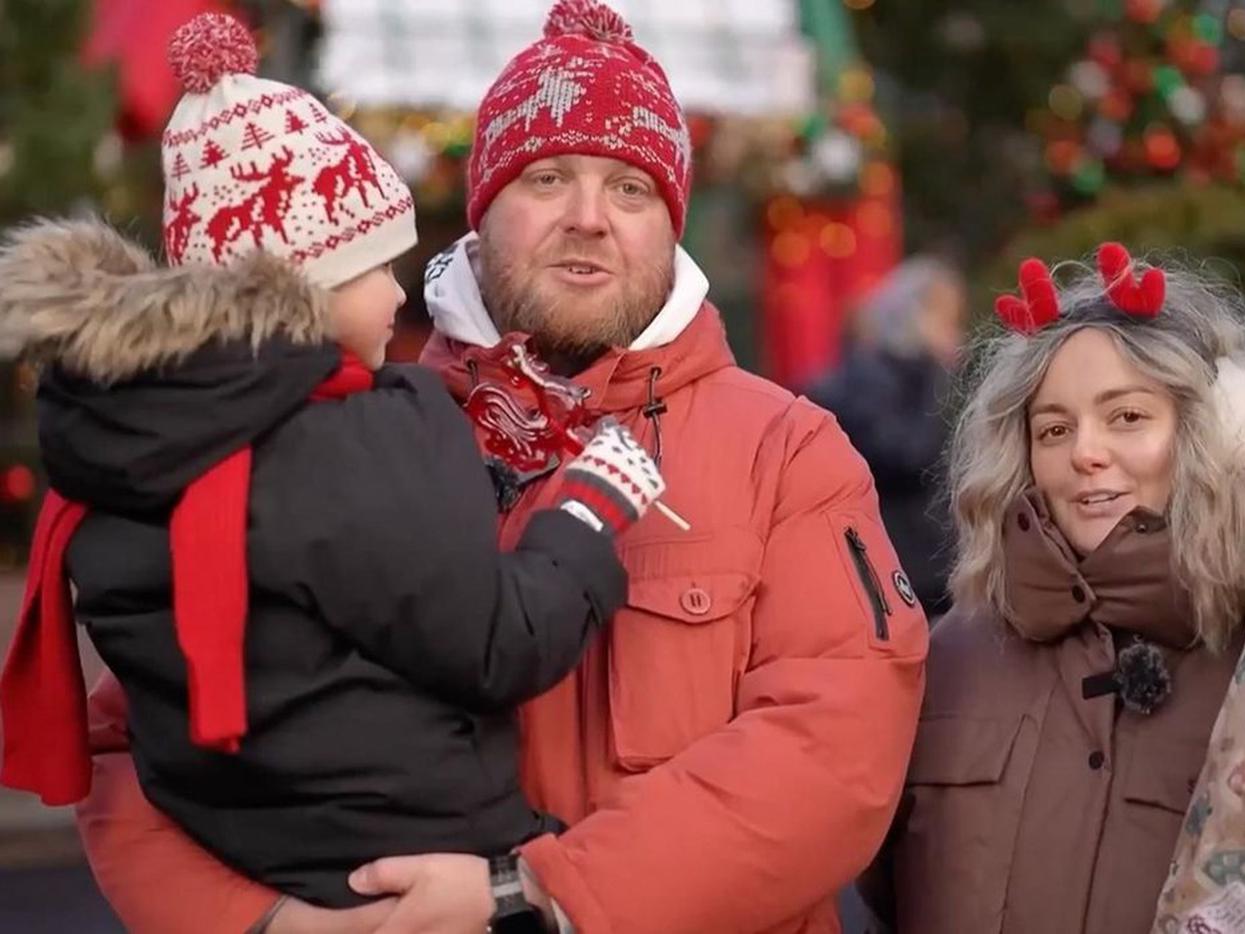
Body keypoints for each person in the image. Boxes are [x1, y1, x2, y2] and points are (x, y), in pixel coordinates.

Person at [68, 2, 930, 933]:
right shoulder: (331, 432)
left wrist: (542, 892)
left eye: (632, 190)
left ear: (671, 222)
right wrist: (266, 921)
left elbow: (830, 750)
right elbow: (128, 737)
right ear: (483, 208)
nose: (590, 220)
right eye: (548, 178)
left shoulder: (786, 451)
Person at [0, 11, 664, 916]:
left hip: (265, 868)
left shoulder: (127, 444)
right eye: (374, 267)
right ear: (300, 288)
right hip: (428, 865)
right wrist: (587, 513)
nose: (399, 292)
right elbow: (497, 644)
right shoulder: (351, 438)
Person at [860, 244, 1245, 934]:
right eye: (1054, 429)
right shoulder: (949, 659)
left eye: (1128, 418)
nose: (1084, 452)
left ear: (1215, 436)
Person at [809, 257, 967, 615]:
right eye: (943, 320)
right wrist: (937, 370)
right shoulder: (873, 376)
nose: (954, 332)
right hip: (905, 567)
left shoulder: (918, 374)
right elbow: (908, 454)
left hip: (933, 563)